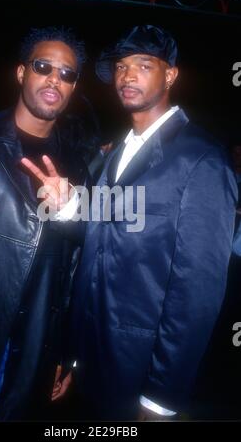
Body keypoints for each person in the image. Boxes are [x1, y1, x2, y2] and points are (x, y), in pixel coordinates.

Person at [67, 25, 238, 420]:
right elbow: (100, 240)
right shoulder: (115, 154)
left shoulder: (202, 160)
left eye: (144, 65)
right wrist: (73, 354)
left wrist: (162, 395)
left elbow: (197, 292)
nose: (127, 76)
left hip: (141, 369)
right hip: (92, 361)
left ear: (171, 75)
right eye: (122, 67)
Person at [0, 26, 96, 420]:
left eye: (67, 74)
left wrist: (68, 352)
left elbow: (81, 262)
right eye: (43, 66)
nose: (55, 80)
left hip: (34, 344)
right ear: (20, 73)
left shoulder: (78, 163)